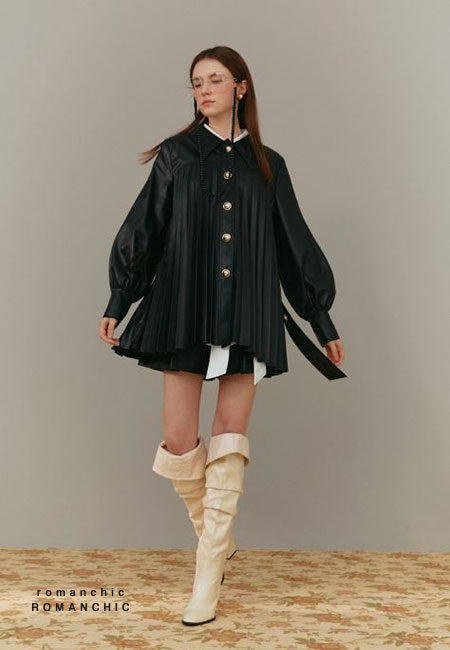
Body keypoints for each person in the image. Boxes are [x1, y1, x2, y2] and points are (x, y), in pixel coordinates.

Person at [99, 45, 346, 626]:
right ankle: (217, 537)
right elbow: (145, 227)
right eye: (196, 82)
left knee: (230, 436)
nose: (204, 89)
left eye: (215, 79)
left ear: (240, 87)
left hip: (250, 310)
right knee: (178, 439)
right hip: (183, 304)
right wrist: (119, 298)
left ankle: (206, 575)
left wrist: (321, 320)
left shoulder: (269, 164)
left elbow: (294, 242)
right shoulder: (177, 156)